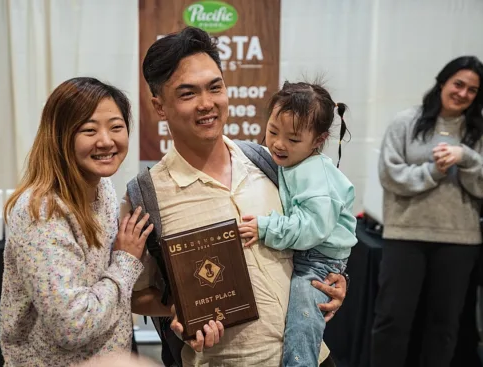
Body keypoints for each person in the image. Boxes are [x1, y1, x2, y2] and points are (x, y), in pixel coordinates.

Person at [125, 26, 347, 367]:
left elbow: (320, 229)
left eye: (215, 87)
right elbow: (136, 295)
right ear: (160, 107)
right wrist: (183, 310)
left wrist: (336, 280)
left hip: (312, 357)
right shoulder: (146, 196)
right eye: (187, 94)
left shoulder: (271, 163)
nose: (207, 104)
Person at [0, 77, 153, 366]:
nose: (106, 141)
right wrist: (125, 260)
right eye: (89, 130)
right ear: (60, 136)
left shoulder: (102, 188)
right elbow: (73, 325)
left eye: (116, 127)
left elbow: (109, 293)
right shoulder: (41, 214)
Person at [371, 56, 483, 367]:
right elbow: (390, 175)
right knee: (392, 321)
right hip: (405, 236)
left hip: (460, 242)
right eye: (458, 84)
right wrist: (433, 171)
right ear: (443, 82)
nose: (462, 93)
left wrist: (467, 158)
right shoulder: (406, 122)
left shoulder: (478, 132)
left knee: (444, 326)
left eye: (472, 90)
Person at [238, 81, 357, 367]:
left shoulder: (314, 174)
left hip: (318, 262)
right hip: (309, 256)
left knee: (302, 329)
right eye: (273, 131)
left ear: (318, 140)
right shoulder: (290, 163)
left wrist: (266, 228)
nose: (278, 144)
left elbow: (311, 229)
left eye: (293, 140)